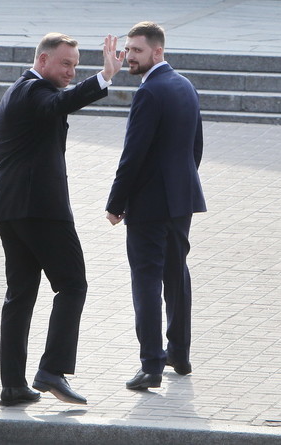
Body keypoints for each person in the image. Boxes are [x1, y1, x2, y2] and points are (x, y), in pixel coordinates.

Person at [0, 32, 124, 406]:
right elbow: (60, 103)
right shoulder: (34, 91)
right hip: (41, 211)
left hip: (11, 210)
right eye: (65, 64)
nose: (71, 72)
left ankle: (13, 386)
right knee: (73, 285)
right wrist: (103, 77)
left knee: (20, 296)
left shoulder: (18, 91)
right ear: (43, 60)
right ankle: (51, 371)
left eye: (75, 66)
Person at [105, 22, 206, 390]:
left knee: (146, 280)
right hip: (182, 200)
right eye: (128, 49)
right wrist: (180, 185)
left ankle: (151, 365)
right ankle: (179, 353)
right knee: (176, 275)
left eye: (137, 50)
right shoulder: (185, 86)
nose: (129, 56)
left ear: (157, 51)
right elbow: (196, 147)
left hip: (149, 204)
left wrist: (116, 202)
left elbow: (133, 154)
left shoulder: (149, 92)